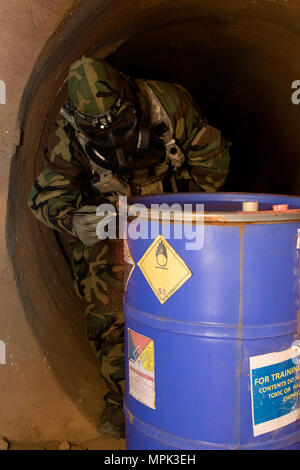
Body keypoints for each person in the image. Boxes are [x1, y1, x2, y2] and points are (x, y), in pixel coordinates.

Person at [28, 56, 230, 438]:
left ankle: (195, 388)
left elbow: (212, 160)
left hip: (176, 217)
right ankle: (126, 397)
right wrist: (73, 219)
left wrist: (192, 216)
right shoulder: (68, 132)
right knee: (106, 311)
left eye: (118, 124)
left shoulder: (167, 105)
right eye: (97, 129)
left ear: (129, 98)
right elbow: (48, 193)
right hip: (111, 223)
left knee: (194, 300)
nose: (110, 136)